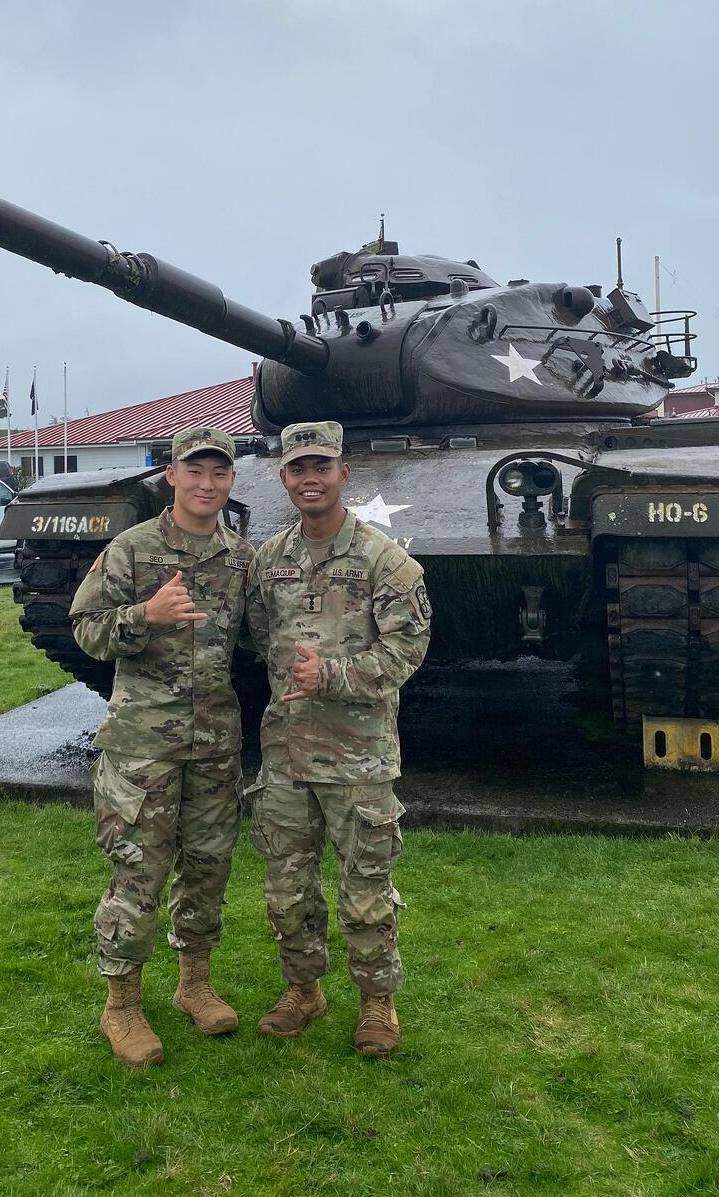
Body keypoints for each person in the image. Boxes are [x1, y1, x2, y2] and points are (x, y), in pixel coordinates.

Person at [245, 420, 430, 1057]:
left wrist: (331, 675)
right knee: (286, 888)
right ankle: (304, 991)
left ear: (343, 473)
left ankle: (378, 1004)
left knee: (366, 888)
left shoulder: (385, 560)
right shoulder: (269, 562)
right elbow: (257, 636)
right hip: (286, 754)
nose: (310, 479)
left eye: (321, 466)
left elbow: (408, 649)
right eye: (298, 469)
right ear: (284, 479)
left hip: (358, 755)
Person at [69, 427, 253, 1068]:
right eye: (194, 471)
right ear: (170, 475)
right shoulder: (133, 550)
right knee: (138, 872)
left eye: (219, 473)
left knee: (208, 867)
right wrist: (145, 616)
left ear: (232, 481)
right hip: (143, 745)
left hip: (214, 743)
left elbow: (265, 637)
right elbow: (86, 629)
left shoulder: (239, 558)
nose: (207, 484)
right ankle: (121, 1006)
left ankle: (193, 984)